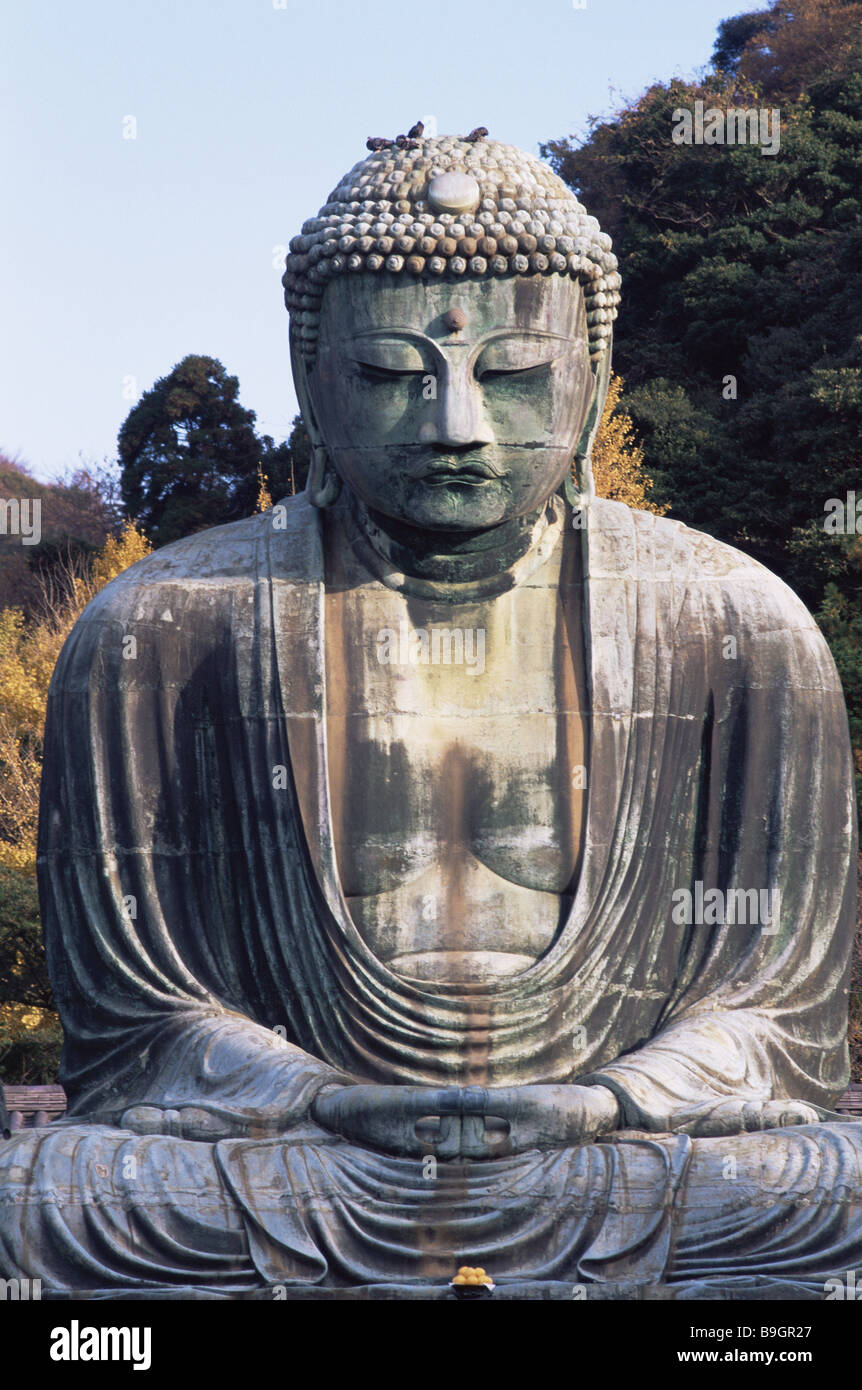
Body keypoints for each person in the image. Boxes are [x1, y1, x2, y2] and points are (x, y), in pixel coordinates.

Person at [0, 136, 858, 1297]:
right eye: (394, 375)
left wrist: (607, 1096)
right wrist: (318, 1094)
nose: (456, 425)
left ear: (592, 378)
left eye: (508, 376)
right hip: (309, 1158)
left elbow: (775, 1013)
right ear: (311, 381)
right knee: (51, 1203)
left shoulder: (734, 626)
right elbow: (139, 1021)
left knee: (822, 1188)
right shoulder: (161, 629)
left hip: (618, 1151)